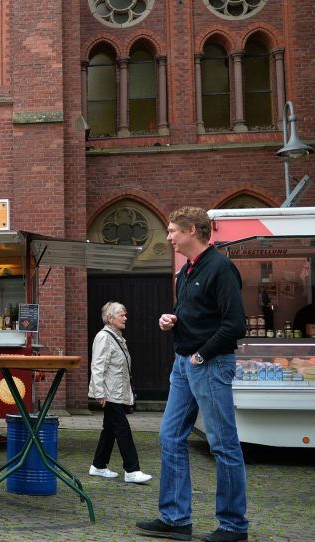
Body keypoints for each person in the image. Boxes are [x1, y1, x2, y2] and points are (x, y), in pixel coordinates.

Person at [136, 207, 248, 542]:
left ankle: (233, 526)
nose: (168, 237)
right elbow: (194, 315)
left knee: (223, 445)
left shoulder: (221, 268)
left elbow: (235, 325)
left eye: (172, 231)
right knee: (169, 438)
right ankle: (175, 520)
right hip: (184, 364)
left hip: (209, 364)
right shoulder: (184, 272)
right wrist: (171, 320)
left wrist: (201, 354)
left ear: (193, 231)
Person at [87, 301, 151, 484]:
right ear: (110, 318)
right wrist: (99, 392)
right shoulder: (104, 337)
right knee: (122, 429)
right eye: (122, 315)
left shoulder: (116, 336)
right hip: (110, 393)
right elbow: (97, 365)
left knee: (110, 429)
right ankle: (132, 470)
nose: (125, 318)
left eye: (125, 314)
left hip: (116, 391)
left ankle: (98, 465)